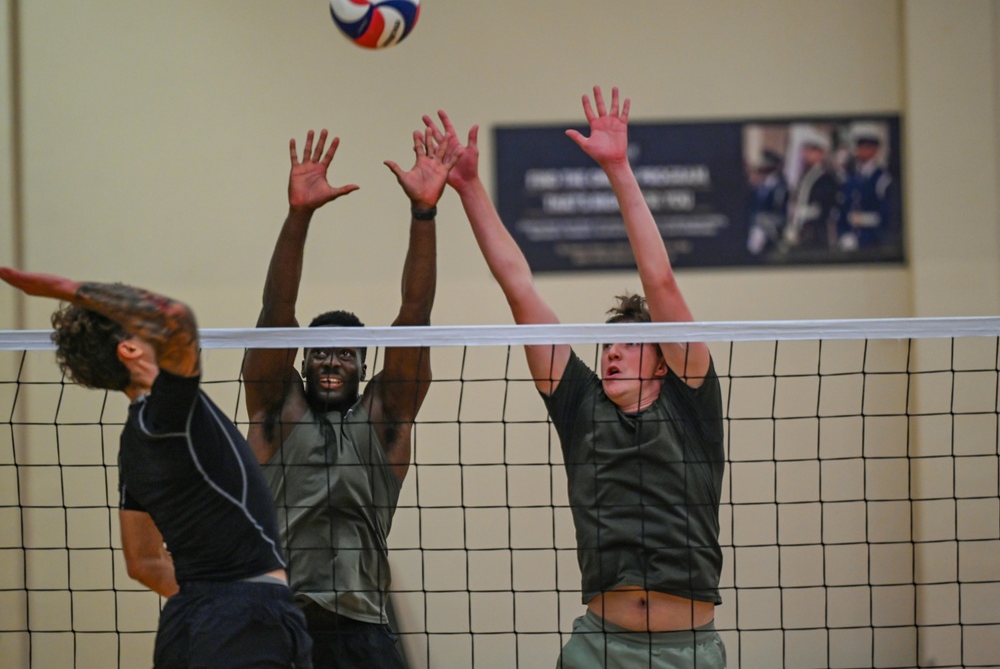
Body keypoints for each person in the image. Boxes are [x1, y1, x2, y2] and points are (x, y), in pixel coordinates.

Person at [425, 87, 727, 668]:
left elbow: (660, 281)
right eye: (607, 345)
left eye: (630, 345)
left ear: (663, 358)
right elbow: (520, 289)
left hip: (686, 651)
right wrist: (468, 188)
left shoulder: (691, 403)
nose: (612, 354)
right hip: (599, 647)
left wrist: (617, 168)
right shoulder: (582, 406)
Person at [0, 267, 311, 668]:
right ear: (129, 349)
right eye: (138, 324)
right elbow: (177, 318)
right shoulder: (168, 413)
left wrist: (208, 602)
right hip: (244, 620)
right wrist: (70, 290)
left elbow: (143, 562)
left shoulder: (134, 441)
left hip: (190, 622)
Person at [241, 125, 459, 668]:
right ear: (303, 359)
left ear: (366, 366)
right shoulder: (277, 411)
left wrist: (424, 214)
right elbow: (276, 317)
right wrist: (299, 216)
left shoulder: (386, 419)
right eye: (318, 352)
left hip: (362, 631)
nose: (331, 360)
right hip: (281, 622)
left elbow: (415, 318)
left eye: (345, 353)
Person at [837, 123, 893, 251]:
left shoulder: (882, 180)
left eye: (866, 146)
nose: (861, 150)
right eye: (859, 145)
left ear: (875, 149)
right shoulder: (852, 179)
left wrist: (861, 221)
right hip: (851, 241)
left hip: (873, 242)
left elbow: (886, 216)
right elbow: (844, 210)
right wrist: (844, 234)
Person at [783, 128, 840, 251]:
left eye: (810, 150)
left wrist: (805, 212)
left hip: (816, 233)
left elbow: (825, 206)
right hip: (802, 230)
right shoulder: (805, 175)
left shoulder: (826, 177)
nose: (805, 153)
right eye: (805, 150)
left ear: (820, 153)